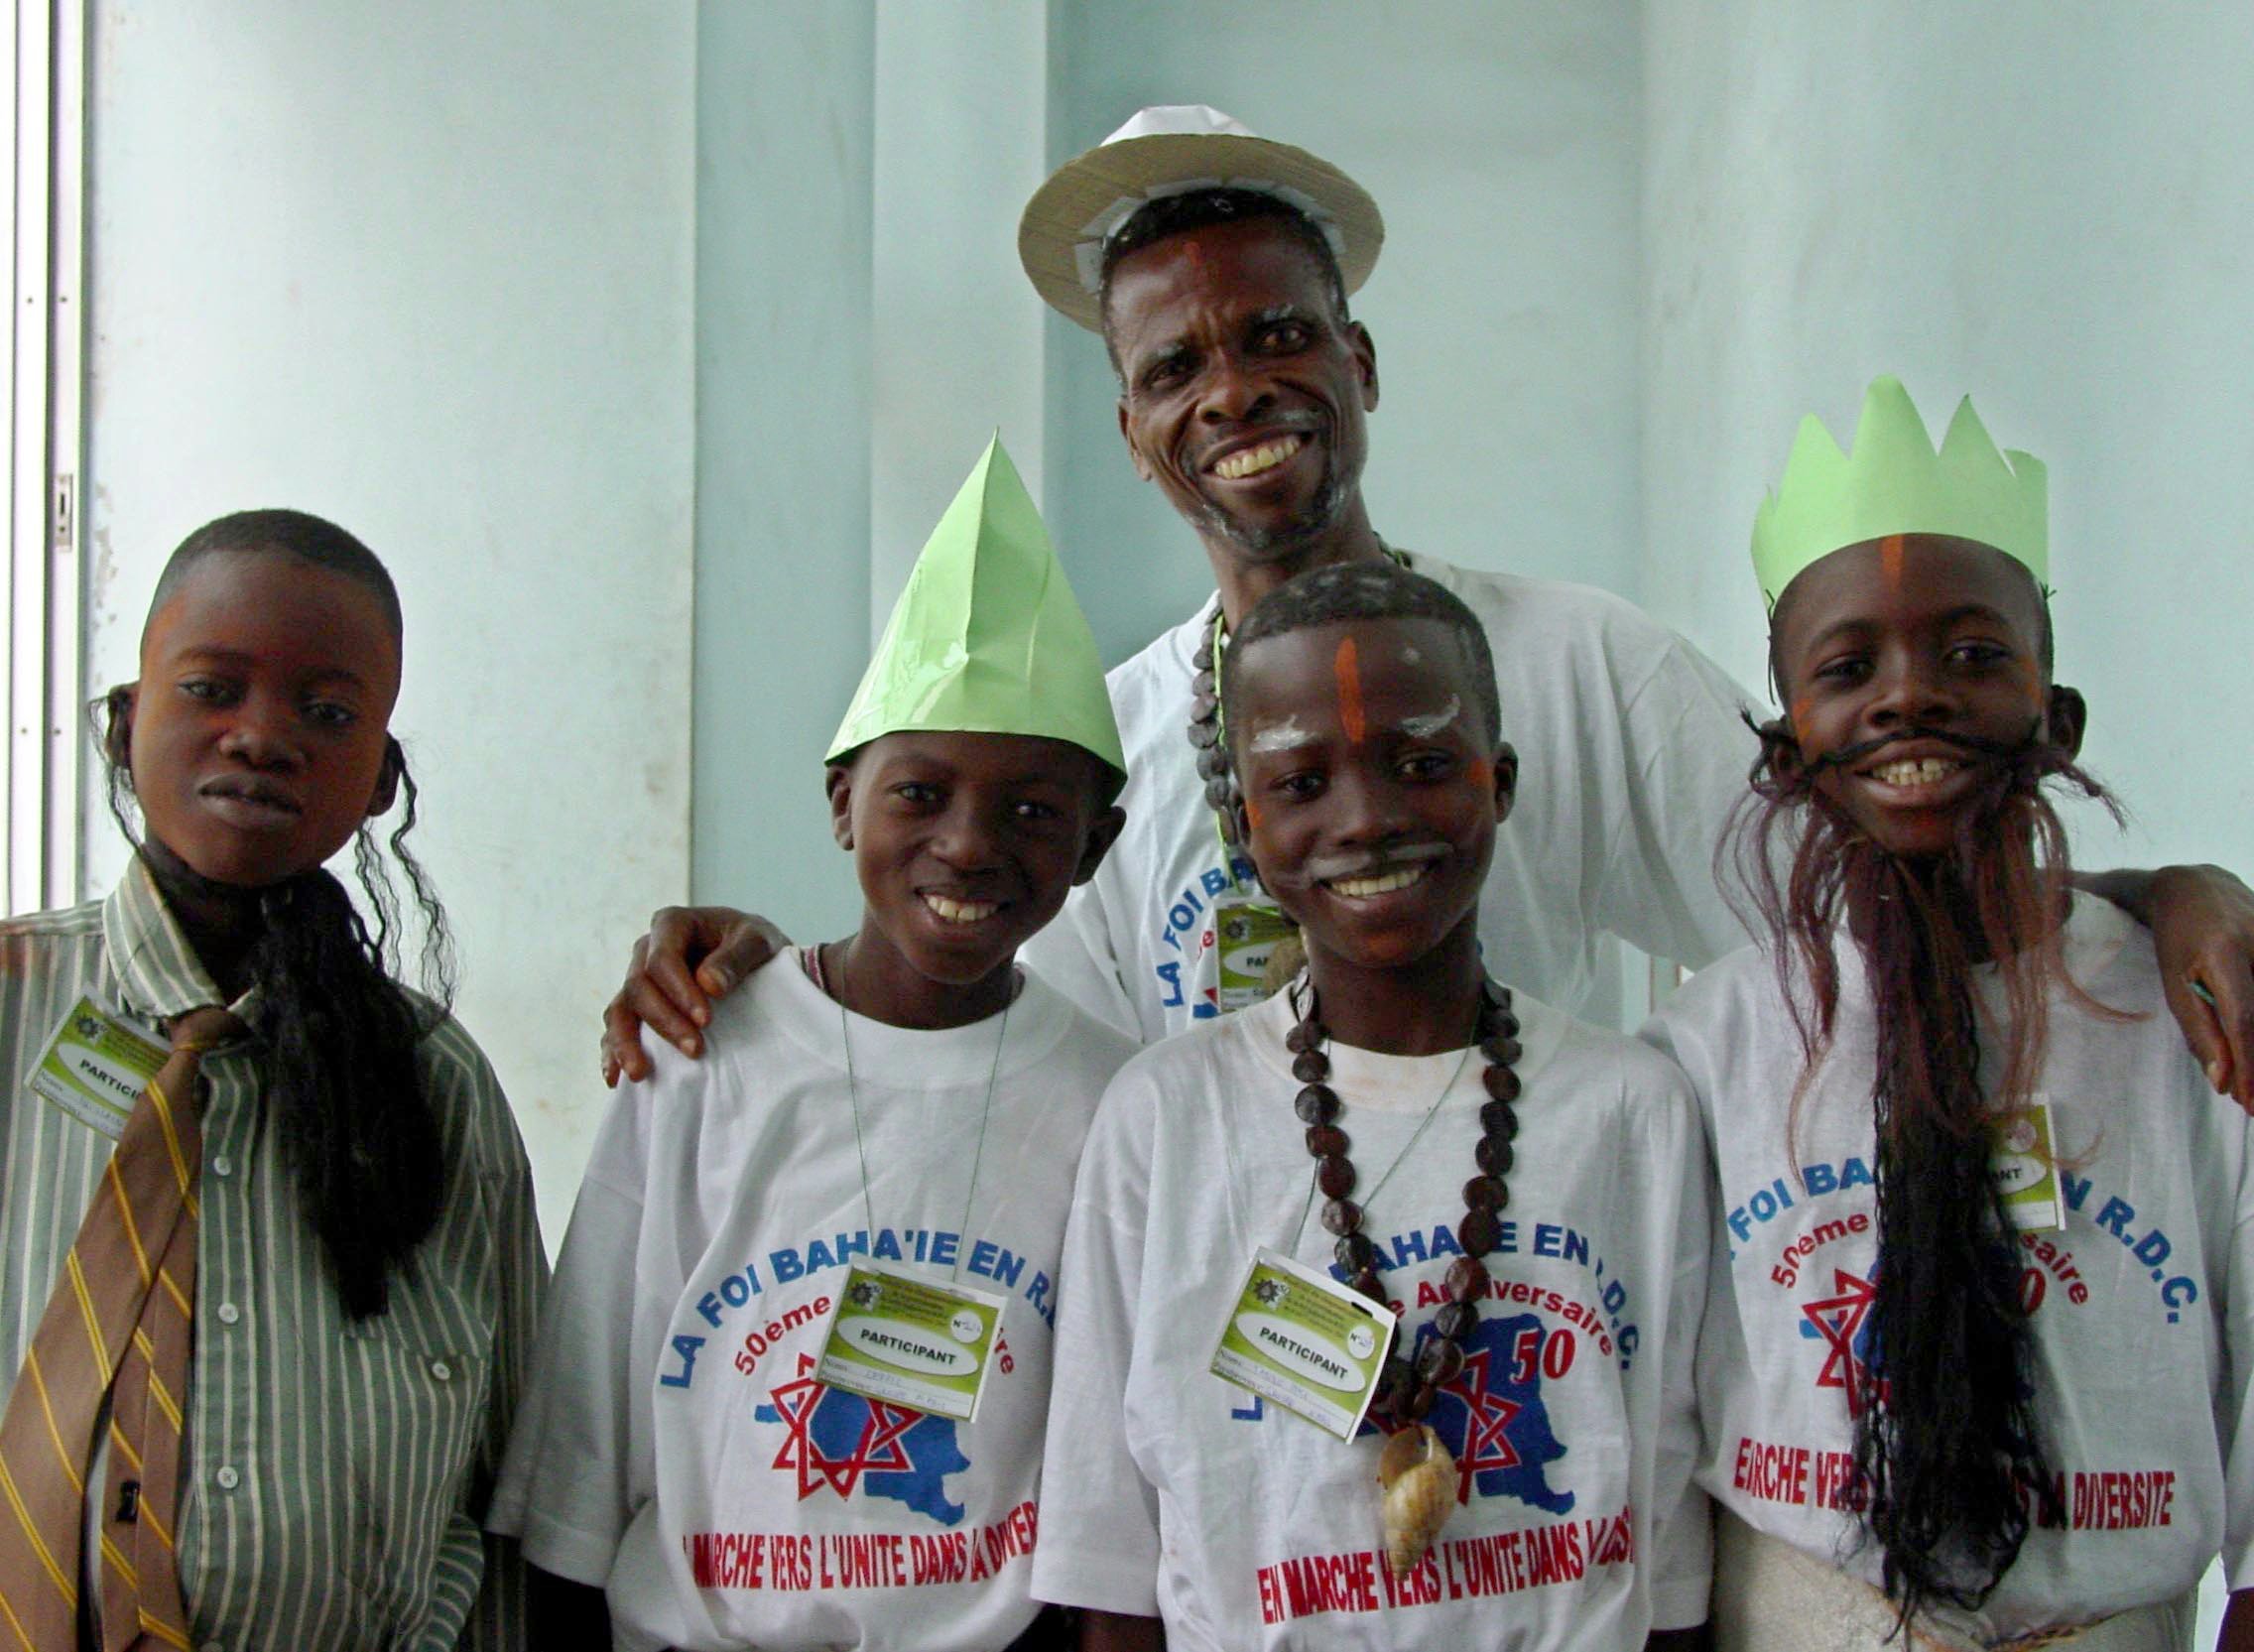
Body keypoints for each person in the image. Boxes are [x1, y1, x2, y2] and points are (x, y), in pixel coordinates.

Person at [601, 106, 2254, 1105]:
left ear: (1361, 362)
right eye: (1175, 368)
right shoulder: (1101, 742)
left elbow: (1854, 893)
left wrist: (2144, 893)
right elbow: (994, 1046)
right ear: (1132, 431)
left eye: (1279, 336)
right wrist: (784, 988)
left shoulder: (1577, 662)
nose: (1233, 391)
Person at [490, 440, 1137, 1651]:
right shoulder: (703, 1053)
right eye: (919, 793)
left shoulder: (1112, 1099)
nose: (968, 844)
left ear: (1094, 847)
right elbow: (590, 1413)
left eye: (1032, 811)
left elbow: (1104, 1467)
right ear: (842, 802)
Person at [1641, 378, 2254, 1647]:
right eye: (1847, 668)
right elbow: (1659, 1404)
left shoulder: (2190, 1020)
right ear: (1786, 753)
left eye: (1972, 656)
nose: (1908, 697)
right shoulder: (1710, 1051)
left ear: (2055, 719)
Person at [1033, 559, 1711, 1649]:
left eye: (1423, 764)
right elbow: (1109, 1556)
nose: (1365, 820)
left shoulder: (1634, 1112)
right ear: (1243, 822)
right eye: (1302, 783)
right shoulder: (1162, 1121)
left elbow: (1670, 1540)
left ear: (1500, 782)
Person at [0, 509, 544, 1648]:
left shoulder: (435, 1089)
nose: (261, 738)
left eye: (327, 712)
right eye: (211, 689)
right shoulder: (12, 1006)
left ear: (381, 777)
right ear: (124, 722)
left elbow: (507, 1483)